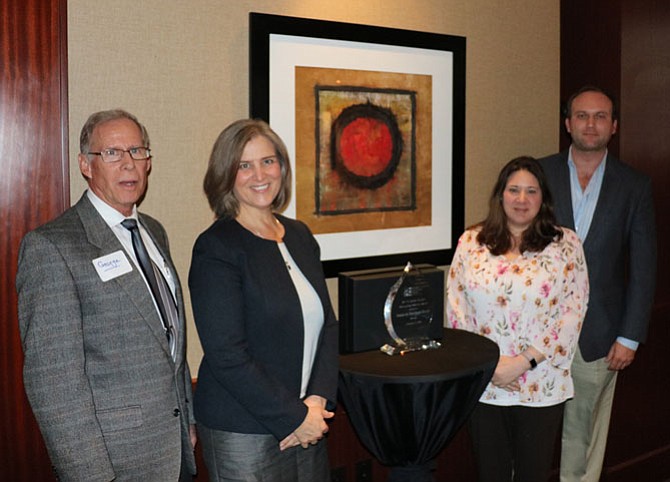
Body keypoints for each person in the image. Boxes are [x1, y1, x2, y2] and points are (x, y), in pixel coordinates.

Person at [16, 109, 197, 481]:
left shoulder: (153, 232)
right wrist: (90, 474)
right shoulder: (53, 246)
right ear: (86, 165)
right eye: (112, 153)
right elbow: (55, 384)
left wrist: (187, 423)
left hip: (172, 450)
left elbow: (170, 343)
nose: (128, 164)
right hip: (112, 462)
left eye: (137, 151)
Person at [189, 119, 338, 481]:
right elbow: (227, 354)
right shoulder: (217, 247)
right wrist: (296, 417)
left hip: (307, 418)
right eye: (244, 165)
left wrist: (316, 402)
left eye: (268, 161)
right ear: (227, 175)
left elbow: (328, 326)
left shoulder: (300, 235)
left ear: (282, 168)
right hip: (243, 429)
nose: (260, 174)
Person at [539, 86, 657, 482]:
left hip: (600, 335)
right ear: (567, 123)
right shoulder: (538, 175)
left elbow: (644, 266)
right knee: (532, 429)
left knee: (583, 432)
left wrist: (630, 336)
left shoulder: (634, 186)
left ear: (614, 126)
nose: (591, 124)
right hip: (537, 332)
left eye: (601, 116)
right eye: (582, 115)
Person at [446, 156, 589, 482]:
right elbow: (457, 311)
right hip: (486, 382)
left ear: (543, 198)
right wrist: (491, 366)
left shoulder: (565, 244)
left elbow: (573, 311)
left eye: (531, 191)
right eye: (514, 190)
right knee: (490, 473)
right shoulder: (471, 242)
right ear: (500, 195)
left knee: (532, 474)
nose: (522, 200)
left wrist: (523, 362)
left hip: (541, 382)